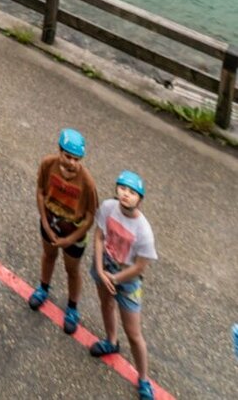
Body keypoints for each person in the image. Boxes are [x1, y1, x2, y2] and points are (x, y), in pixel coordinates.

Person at [89, 171, 158, 400]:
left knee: (134, 332)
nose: (126, 195)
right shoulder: (108, 207)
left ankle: (144, 379)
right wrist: (100, 270)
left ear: (140, 199)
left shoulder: (144, 231)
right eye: (123, 189)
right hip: (105, 266)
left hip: (127, 280)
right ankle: (110, 341)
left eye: (132, 192)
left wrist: (115, 279)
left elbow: (139, 267)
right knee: (106, 305)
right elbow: (99, 236)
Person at [27, 128, 98, 335]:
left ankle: (73, 307)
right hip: (50, 222)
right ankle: (43, 288)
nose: (72, 163)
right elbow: (40, 192)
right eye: (68, 157)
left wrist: (71, 239)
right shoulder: (48, 165)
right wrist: (46, 223)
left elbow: (90, 216)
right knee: (48, 256)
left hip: (73, 233)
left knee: (72, 270)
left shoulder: (87, 183)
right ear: (59, 151)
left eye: (77, 159)